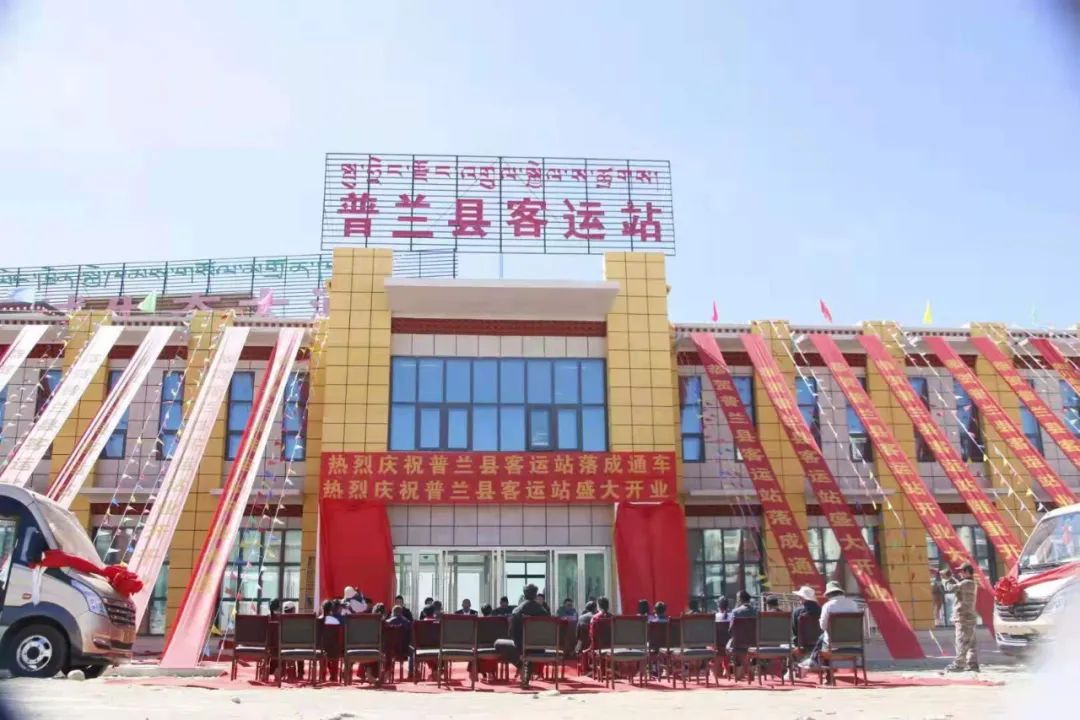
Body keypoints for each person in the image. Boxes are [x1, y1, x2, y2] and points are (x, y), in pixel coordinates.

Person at [495, 583, 549, 670]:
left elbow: (511, 633)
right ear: (535, 595)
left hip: (521, 648)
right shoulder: (544, 612)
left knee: (498, 643)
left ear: (524, 595)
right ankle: (527, 667)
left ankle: (521, 665)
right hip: (539, 648)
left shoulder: (517, 611)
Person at [942, 563, 979, 672]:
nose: (960, 573)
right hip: (969, 617)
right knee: (971, 642)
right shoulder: (970, 583)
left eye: (961, 571)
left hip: (963, 617)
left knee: (961, 641)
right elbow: (958, 586)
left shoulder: (966, 583)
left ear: (967, 572)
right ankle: (972, 664)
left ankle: (959, 664)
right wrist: (952, 578)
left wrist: (947, 579)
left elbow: (950, 588)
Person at [819, 581, 859, 649]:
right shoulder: (853, 604)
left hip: (833, 643)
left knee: (821, 638)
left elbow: (823, 626)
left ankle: (817, 655)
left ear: (829, 594)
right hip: (853, 641)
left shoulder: (827, 606)